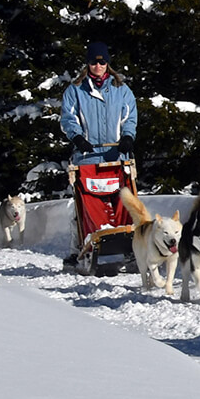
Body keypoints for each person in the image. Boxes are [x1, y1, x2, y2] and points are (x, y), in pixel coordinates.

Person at [60, 42, 139, 262]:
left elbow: (129, 117)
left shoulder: (120, 89)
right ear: (88, 63)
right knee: (85, 206)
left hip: (116, 157)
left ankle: (128, 243)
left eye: (102, 61)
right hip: (87, 158)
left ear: (108, 63)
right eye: (94, 61)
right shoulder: (75, 90)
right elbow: (68, 118)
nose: (98, 65)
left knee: (123, 202)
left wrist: (127, 137)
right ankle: (80, 248)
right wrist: (77, 138)